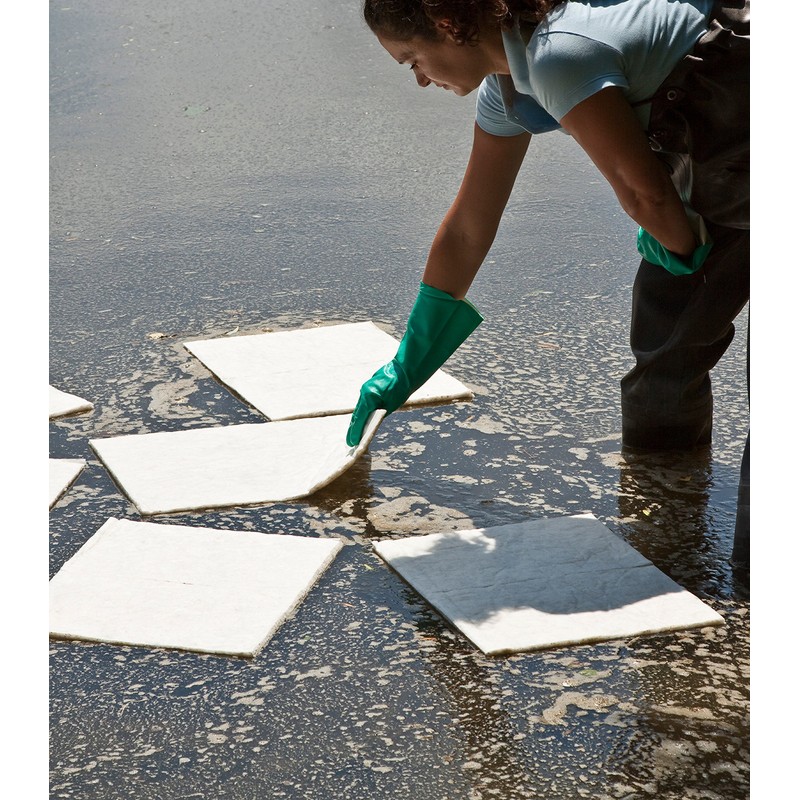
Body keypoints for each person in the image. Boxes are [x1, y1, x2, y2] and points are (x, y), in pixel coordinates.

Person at [345, 0, 749, 566]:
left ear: (446, 25)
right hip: (725, 173)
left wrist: (685, 250)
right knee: (663, 355)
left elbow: (645, 195)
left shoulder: (560, 55)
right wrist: (410, 361)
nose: (419, 79)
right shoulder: (508, 91)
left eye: (413, 59)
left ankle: (757, 584)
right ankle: (667, 524)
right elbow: (468, 227)